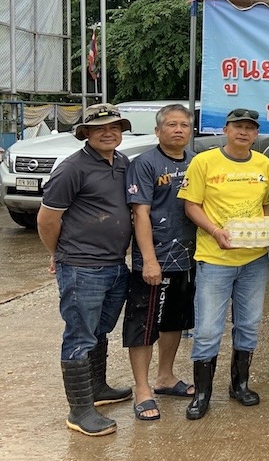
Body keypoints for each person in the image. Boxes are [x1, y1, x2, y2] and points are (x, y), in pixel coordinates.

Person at [38, 104, 134, 436]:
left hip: (115, 265)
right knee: (79, 335)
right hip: (81, 267)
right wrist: (58, 254)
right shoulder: (71, 169)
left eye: (114, 127)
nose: (109, 133)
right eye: (100, 128)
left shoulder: (122, 163)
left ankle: (98, 389)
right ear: (86, 134)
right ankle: (79, 411)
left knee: (99, 330)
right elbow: (47, 219)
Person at [178, 108, 269, 420]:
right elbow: (191, 205)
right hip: (215, 259)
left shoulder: (264, 163)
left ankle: (239, 384)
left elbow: (265, 206)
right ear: (226, 130)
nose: (243, 132)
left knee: (248, 324)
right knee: (208, 329)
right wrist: (215, 231)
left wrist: (268, 229)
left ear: (256, 134)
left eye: (249, 128)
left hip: (254, 259)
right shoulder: (204, 162)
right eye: (237, 127)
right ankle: (202, 393)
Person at [123, 104, 198, 422]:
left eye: (184, 125)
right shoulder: (144, 164)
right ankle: (142, 390)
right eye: (171, 124)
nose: (178, 129)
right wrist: (149, 261)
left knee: (175, 322)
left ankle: (165, 377)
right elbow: (140, 213)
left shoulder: (196, 162)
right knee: (143, 325)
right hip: (155, 260)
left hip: (188, 257)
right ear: (158, 131)